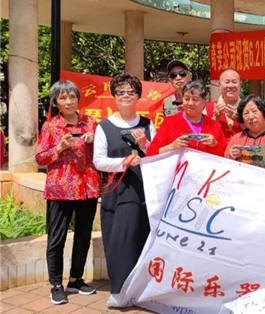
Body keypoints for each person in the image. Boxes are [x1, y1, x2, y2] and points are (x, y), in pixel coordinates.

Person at [35, 81, 99, 305]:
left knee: (83, 235)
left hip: (88, 187)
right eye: (63, 98)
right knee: (57, 238)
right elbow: (40, 157)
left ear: (78, 99)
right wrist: (60, 147)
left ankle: (76, 279)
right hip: (60, 189)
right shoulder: (50, 126)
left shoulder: (91, 122)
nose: (69, 101)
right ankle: (56, 284)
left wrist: (94, 140)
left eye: (72, 96)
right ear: (56, 102)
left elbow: (103, 151)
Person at [93, 73, 156, 295]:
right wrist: (124, 162)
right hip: (117, 193)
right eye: (121, 92)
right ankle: (121, 290)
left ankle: (141, 290)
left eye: (131, 92)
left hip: (144, 192)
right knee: (119, 240)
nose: (126, 96)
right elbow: (98, 161)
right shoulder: (104, 127)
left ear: (138, 96)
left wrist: (144, 144)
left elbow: (158, 155)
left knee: (142, 238)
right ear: (114, 96)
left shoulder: (147, 124)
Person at [148, 80, 226, 157]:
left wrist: (215, 144)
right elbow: (151, 153)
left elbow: (224, 156)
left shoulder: (214, 126)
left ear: (205, 101)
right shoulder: (170, 123)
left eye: (195, 99)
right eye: (187, 99)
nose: (190, 103)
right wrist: (171, 147)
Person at [225, 95, 265, 176]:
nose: (251, 117)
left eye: (254, 111)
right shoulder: (236, 139)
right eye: (246, 113)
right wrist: (230, 157)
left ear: (263, 113)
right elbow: (224, 165)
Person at [205, 68, 242, 141]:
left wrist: (240, 120)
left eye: (234, 82)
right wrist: (215, 118)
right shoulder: (207, 108)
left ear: (240, 84)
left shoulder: (247, 107)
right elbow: (203, 135)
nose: (230, 86)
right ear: (219, 85)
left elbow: (256, 133)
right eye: (227, 82)